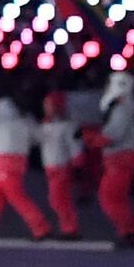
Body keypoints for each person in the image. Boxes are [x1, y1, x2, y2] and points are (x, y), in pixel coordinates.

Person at [0, 89, 52, 238]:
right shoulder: (24, 119)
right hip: (17, 162)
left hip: (4, 163)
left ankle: (41, 227)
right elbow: (38, 138)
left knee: (16, 197)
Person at [85, 64, 134, 249]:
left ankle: (129, 232)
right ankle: (130, 231)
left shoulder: (121, 109)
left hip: (120, 159)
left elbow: (113, 136)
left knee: (109, 197)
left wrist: (92, 139)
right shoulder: (125, 108)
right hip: (120, 159)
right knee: (116, 197)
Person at [36, 89, 83, 239]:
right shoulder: (45, 125)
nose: (46, 107)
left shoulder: (67, 125)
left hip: (61, 167)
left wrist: (77, 163)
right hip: (51, 167)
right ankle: (68, 228)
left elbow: (75, 146)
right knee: (59, 199)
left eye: (48, 105)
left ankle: (70, 229)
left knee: (58, 199)